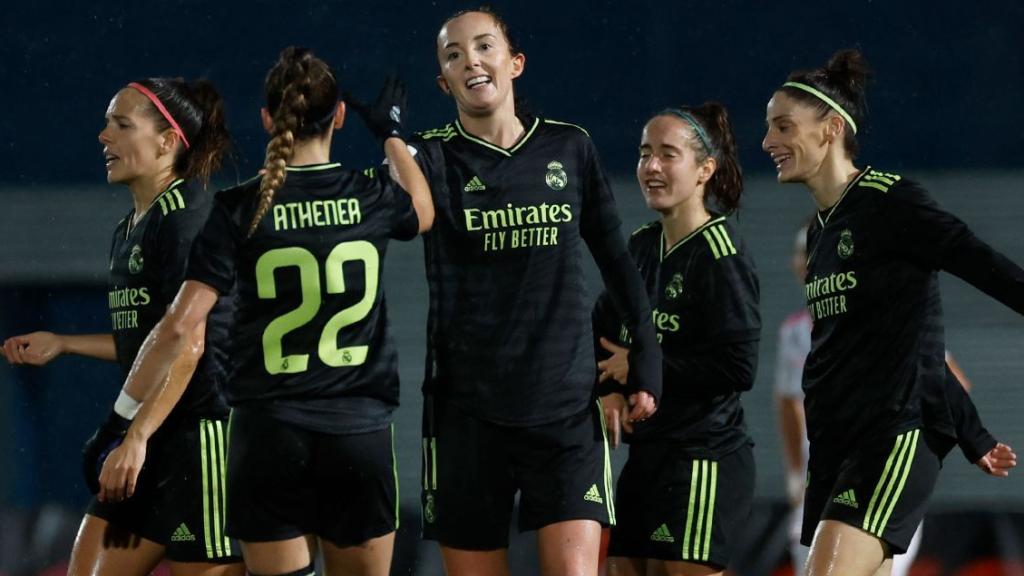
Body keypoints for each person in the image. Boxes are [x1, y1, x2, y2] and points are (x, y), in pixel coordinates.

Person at [97, 47, 433, 576]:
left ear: (268, 119)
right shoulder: (369, 195)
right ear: (339, 116)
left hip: (267, 438)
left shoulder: (237, 208)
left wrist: (123, 422)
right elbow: (424, 211)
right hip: (357, 433)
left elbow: (181, 326)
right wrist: (391, 134)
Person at [409, 8, 662, 575]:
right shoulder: (429, 156)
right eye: (453, 55)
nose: (470, 59)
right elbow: (393, 218)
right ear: (443, 81)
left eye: (483, 46)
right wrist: (390, 143)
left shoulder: (569, 146)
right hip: (464, 413)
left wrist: (646, 350)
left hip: (565, 410)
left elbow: (616, 257)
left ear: (514, 63)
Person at [762, 48, 1022, 576]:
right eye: (769, 129)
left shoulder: (889, 200)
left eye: (784, 127)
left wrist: (963, 430)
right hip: (839, 449)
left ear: (831, 128)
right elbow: (906, 344)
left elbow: (983, 264)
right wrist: (974, 436)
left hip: (891, 437)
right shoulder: (817, 233)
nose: (768, 142)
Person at [1, 78, 242, 575]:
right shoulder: (131, 226)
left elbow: (189, 344)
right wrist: (65, 343)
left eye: (121, 124)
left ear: (167, 141)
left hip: (200, 448)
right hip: (146, 446)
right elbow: (149, 343)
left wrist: (133, 437)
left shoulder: (187, 219)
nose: (102, 136)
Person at [592, 104, 760, 576]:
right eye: (645, 154)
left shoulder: (721, 255)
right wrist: (606, 388)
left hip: (703, 459)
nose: (652, 166)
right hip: (648, 459)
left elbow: (738, 368)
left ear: (705, 169)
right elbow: (600, 326)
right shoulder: (642, 245)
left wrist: (646, 368)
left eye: (668, 155)